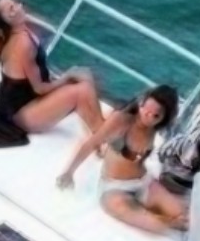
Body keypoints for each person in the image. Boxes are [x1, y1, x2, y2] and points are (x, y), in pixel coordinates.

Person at [0, 0, 105, 144]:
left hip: (22, 100)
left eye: (14, 4)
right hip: (21, 115)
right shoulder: (22, 43)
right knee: (82, 89)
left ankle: (100, 130)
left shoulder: (18, 33)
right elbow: (39, 88)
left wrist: (65, 79)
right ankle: (103, 138)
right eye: (10, 10)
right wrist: (67, 76)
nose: (18, 8)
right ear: (5, 21)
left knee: (85, 76)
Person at [58, 82, 184, 231]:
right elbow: (91, 143)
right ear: (141, 103)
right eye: (145, 109)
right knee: (157, 226)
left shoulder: (154, 129)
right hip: (114, 188)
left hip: (142, 182)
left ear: (163, 118)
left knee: (183, 213)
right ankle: (162, 219)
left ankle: (157, 212)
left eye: (155, 115)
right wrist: (69, 172)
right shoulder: (122, 120)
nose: (146, 116)